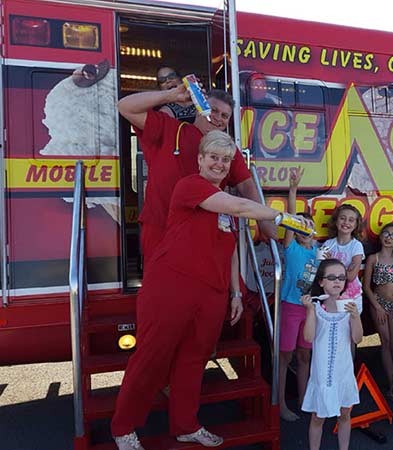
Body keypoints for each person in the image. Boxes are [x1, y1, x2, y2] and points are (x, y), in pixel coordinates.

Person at [111, 131, 302, 450]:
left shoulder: (225, 202)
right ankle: (123, 427)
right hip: (172, 285)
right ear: (200, 159)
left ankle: (186, 424)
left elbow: (228, 250)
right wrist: (282, 216)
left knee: (194, 358)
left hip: (211, 292)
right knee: (152, 357)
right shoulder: (190, 186)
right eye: (213, 157)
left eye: (226, 159)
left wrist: (236, 293)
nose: (220, 163)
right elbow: (242, 207)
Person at [117, 83, 274, 266]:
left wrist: (263, 221)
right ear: (200, 109)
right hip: (162, 228)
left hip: (204, 234)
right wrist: (171, 95)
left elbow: (246, 184)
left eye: (225, 116)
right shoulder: (170, 129)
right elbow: (125, 107)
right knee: (163, 287)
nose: (218, 118)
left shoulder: (229, 151)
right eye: (213, 110)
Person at [300, 259, 364, 450]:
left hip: (343, 373)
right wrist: (310, 311)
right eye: (331, 277)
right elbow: (309, 337)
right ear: (321, 282)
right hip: (322, 374)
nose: (337, 281)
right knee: (317, 417)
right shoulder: (317, 307)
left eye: (342, 278)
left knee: (345, 415)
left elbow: (358, 338)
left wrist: (355, 317)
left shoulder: (349, 306)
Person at [278, 167, 321, 422]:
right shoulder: (291, 247)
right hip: (291, 307)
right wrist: (293, 190)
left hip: (310, 309)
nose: (306, 228)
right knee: (285, 357)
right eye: (301, 225)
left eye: (309, 224)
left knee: (305, 355)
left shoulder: (319, 250)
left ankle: (305, 400)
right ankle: (282, 404)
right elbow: (290, 219)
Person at [363, 222, 393, 395]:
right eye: (386, 233)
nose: (389, 237)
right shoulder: (373, 259)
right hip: (379, 305)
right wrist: (378, 307)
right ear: (380, 236)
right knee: (386, 342)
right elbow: (366, 286)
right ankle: (391, 384)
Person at [323, 204, 365, 302]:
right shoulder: (328, 244)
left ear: (355, 225)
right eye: (342, 218)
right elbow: (322, 272)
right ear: (336, 221)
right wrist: (345, 270)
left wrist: (330, 264)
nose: (346, 222)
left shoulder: (356, 246)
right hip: (330, 295)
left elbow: (351, 276)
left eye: (351, 220)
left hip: (352, 295)